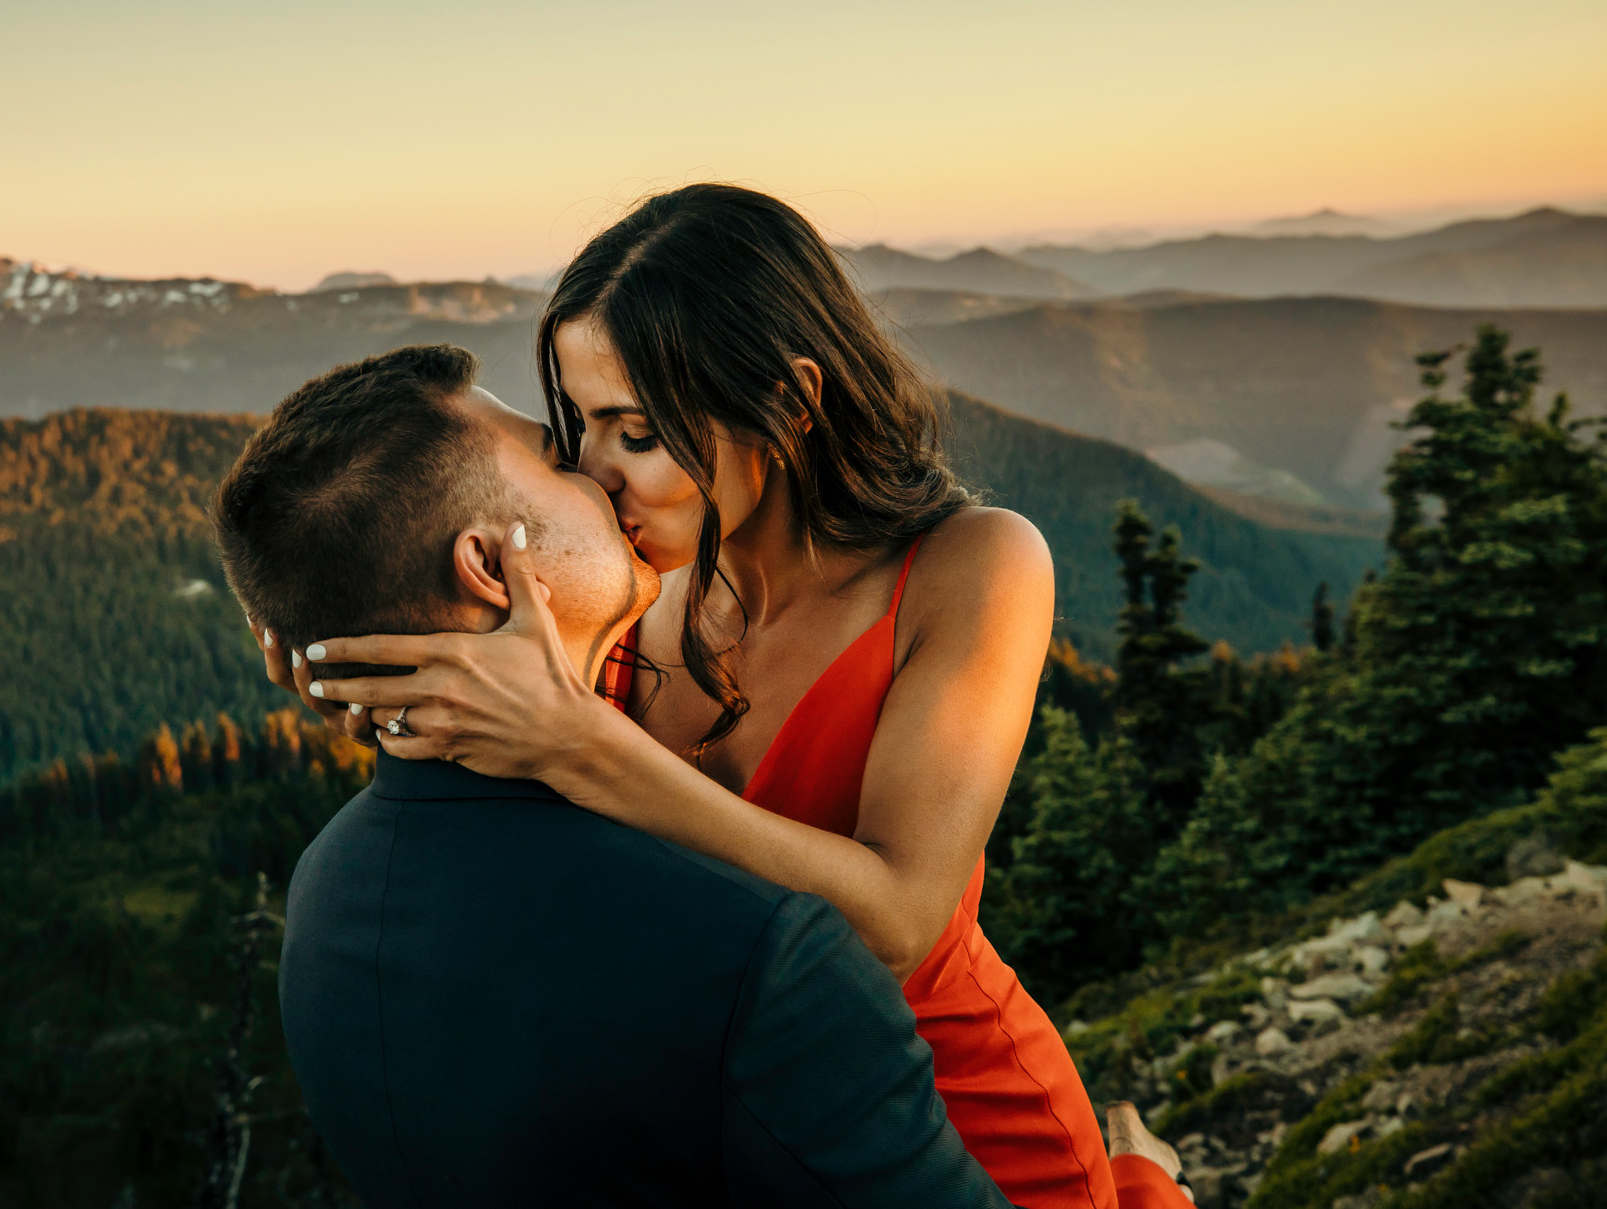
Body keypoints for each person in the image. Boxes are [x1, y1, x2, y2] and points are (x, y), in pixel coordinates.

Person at [292, 186, 1188, 1209]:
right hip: (737, 1123)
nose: (593, 476)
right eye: (576, 427)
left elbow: (897, 920)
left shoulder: (970, 567)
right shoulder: (623, 586)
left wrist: (582, 747)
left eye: (633, 432)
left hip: (963, 1112)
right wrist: (336, 659)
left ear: (789, 401)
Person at [213, 344, 1020, 1207]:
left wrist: (369, 682)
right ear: (490, 567)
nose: (601, 478)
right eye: (563, 457)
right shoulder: (765, 960)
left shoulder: (326, 894)